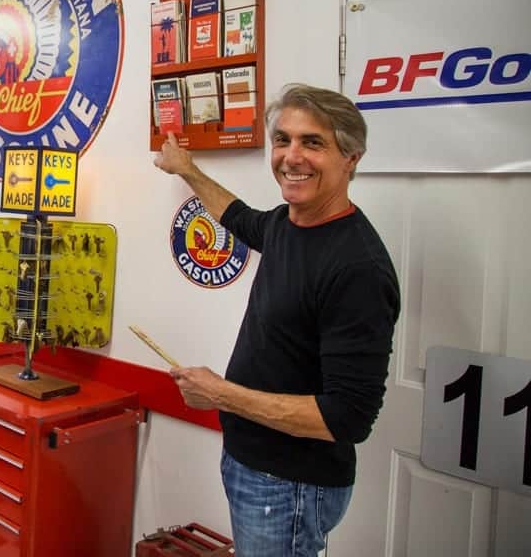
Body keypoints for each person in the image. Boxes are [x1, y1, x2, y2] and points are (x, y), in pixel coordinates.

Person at [153, 83, 399, 556]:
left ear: (351, 158)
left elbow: (347, 418)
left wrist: (220, 394)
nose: (291, 156)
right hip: (250, 462)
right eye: (282, 140)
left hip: (290, 484)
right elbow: (239, 217)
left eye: (313, 143)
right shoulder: (289, 223)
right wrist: (187, 170)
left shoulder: (357, 268)